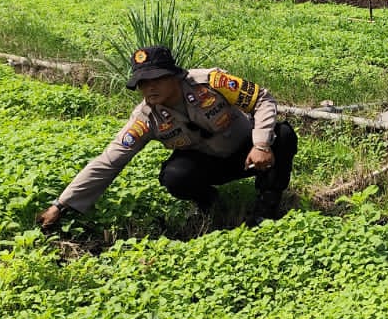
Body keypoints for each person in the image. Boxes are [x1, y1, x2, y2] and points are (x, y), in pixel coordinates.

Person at [39, 45, 297, 230]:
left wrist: (261, 143)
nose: (149, 88)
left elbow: (261, 98)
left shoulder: (211, 82)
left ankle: (267, 207)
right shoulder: (145, 119)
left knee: (283, 135)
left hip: (247, 153)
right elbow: (108, 162)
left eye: (156, 79)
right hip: (208, 164)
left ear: (174, 76)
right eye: (141, 83)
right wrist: (61, 205)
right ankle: (209, 202)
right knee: (175, 176)